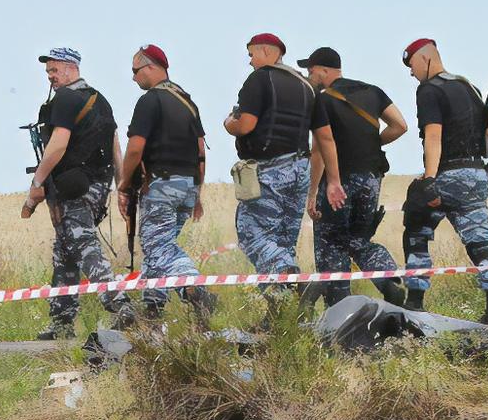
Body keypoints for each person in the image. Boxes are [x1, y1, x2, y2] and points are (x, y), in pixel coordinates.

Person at [21, 47, 136, 338]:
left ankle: (120, 304)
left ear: (71, 68)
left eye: (54, 70)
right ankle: (62, 323)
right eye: (48, 72)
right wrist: (121, 186)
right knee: (65, 250)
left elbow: (58, 144)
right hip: (98, 186)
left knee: (83, 244)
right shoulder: (100, 100)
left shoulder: (65, 99)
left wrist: (37, 183)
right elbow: (115, 146)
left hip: (73, 188)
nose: (50, 77)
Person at [400, 38, 488, 328]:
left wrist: (429, 179)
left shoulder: (429, 89)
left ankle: (415, 303)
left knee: (416, 229)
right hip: (477, 174)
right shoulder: (469, 87)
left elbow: (433, 135)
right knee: (479, 243)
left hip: (448, 174)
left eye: (411, 65)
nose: (411, 72)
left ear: (425, 59)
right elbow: (487, 133)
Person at [224, 33, 346, 286]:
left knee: (252, 235)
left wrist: (229, 123)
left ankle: (289, 273)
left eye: (251, 54)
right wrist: (333, 180)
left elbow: (245, 125)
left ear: (267, 52)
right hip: (300, 170)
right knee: (283, 240)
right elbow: (325, 138)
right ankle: (284, 300)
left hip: (269, 171)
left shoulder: (259, 79)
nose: (250, 61)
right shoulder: (307, 87)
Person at [299, 46, 410, 308]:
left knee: (330, 242)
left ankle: (340, 308)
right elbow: (400, 126)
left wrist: (312, 193)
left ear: (323, 70)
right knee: (358, 240)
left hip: (338, 181)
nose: (309, 76)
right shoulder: (373, 91)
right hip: (372, 178)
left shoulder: (321, 100)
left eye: (311, 71)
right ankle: (389, 281)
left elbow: (318, 150)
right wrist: (372, 144)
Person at [115, 44, 214, 320]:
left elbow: (135, 149)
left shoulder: (150, 101)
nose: (133, 77)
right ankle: (152, 307)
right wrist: (197, 194)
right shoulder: (187, 101)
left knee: (158, 247)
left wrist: (124, 185)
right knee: (158, 244)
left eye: (135, 70)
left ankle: (194, 288)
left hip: (161, 185)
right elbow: (201, 152)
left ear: (150, 67)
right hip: (188, 185)